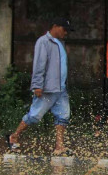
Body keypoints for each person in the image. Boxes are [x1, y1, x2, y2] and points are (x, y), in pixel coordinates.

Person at [6, 17, 74, 155]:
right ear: (55, 26)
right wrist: (37, 85)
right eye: (64, 29)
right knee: (35, 115)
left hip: (61, 88)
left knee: (63, 116)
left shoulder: (60, 43)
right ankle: (14, 136)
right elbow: (39, 64)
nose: (65, 33)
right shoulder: (43, 42)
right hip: (48, 88)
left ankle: (59, 146)